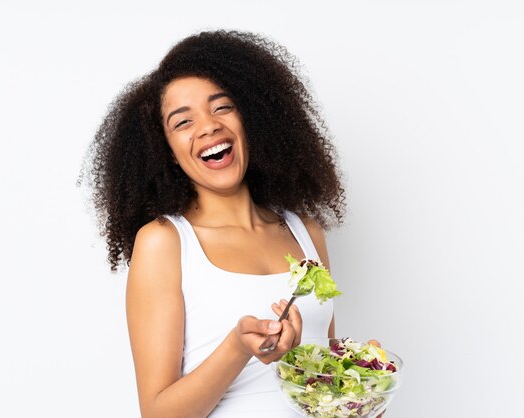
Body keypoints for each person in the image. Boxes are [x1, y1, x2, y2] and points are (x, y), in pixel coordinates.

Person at [86, 30, 357, 417]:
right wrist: (237, 348)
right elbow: (158, 413)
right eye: (182, 122)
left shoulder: (305, 231)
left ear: (252, 118)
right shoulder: (165, 242)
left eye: (222, 107)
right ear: (166, 152)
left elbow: (329, 386)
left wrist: (361, 395)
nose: (208, 126)